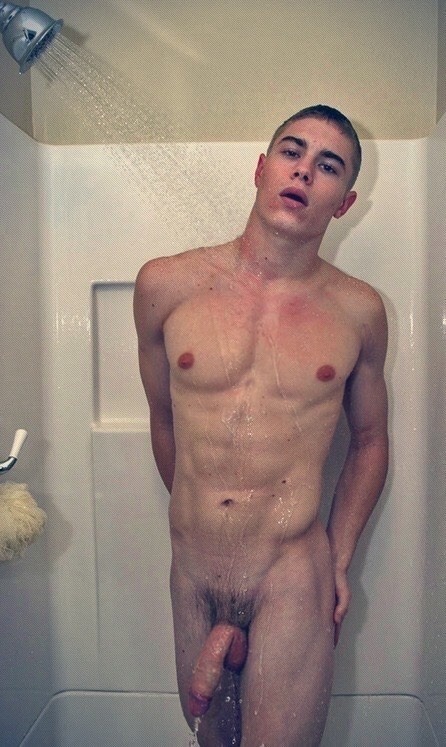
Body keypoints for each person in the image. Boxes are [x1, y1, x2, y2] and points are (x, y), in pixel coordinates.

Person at [134, 104, 389, 747]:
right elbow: (163, 417)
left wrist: (340, 557)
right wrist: (204, 521)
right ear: (260, 168)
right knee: (211, 743)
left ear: (343, 203)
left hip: (291, 573)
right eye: (291, 151)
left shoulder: (358, 310)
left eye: (327, 166)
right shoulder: (165, 285)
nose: (303, 171)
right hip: (193, 571)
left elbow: (369, 442)